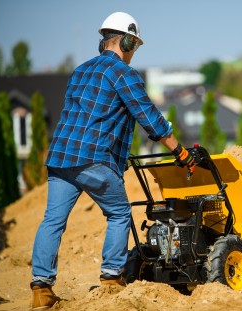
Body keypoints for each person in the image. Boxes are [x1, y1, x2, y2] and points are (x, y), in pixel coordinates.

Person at [28, 12, 196, 310]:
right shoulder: (123, 73)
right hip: (94, 158)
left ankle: (41, 289)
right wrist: (180, 152)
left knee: (52, 221)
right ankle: (111, 278)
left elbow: (89, 116)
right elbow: (150, 119)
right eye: (136, 46)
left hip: (61, 157)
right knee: (119, 213)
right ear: (129, 41)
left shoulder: (79, 71)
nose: (134, 53)